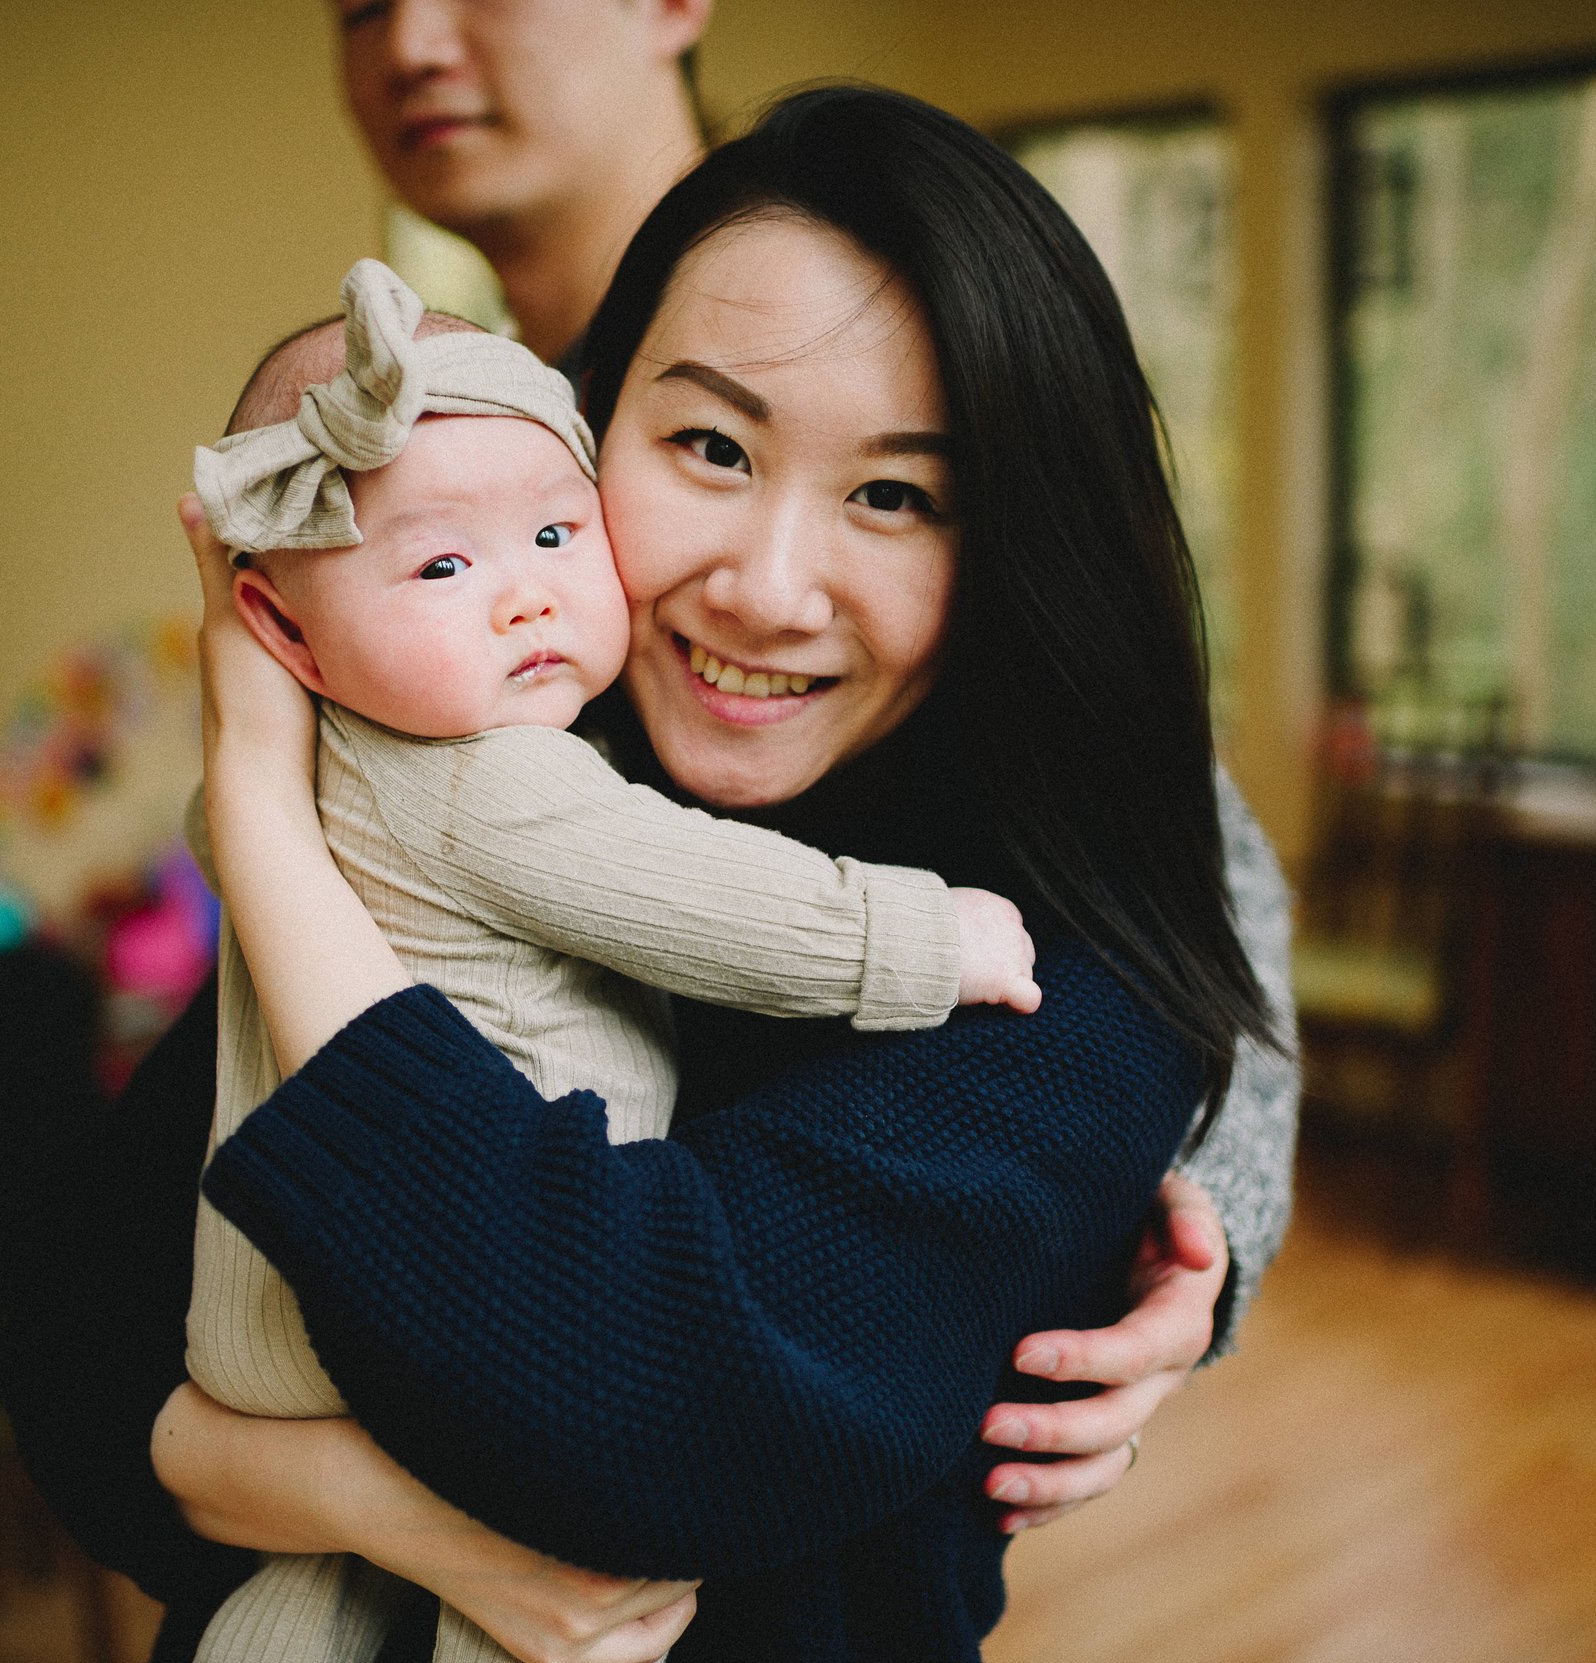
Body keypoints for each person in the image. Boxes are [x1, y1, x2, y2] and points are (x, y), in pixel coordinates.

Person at [165, 86, 1283, 1661]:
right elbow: (79, 1352)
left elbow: (641, 1399)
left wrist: (264, 809)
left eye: (896, 496)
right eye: (707, 444)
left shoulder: (1056, 992)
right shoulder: (488, 765)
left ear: (1021, 548)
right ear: (587, 426)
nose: (765, 591)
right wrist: (344, 1502)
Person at [183, 256, 1040, 1663]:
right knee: (524, 1603)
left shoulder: (310, 778)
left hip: (258, 1312)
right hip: (409, 1296)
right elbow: (706, 898)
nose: (520, 600)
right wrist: (927, 935)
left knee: (304, 1615)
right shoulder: (494, 781)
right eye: (443, 566)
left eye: (555, 538)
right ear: (284, 632)